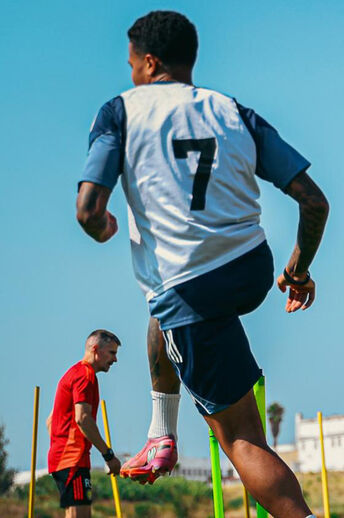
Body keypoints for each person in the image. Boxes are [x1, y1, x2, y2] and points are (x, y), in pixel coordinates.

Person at [75, 11, 328, 518]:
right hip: (252, 268)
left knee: (242, 438)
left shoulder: (119, 112)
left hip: (190, 289)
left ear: (148, 63)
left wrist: (100, 227)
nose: (129, 75)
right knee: (158, 316)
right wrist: (297, 270)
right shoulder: (230, 109)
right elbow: (314, 202)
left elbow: (87, 209)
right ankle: (161, 434)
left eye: (130, 64)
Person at [47, 330, 122, 518]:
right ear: (96, 350)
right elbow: (83, 419)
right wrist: (108, 455)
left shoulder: (75, 372)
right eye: (112, 353)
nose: (115, 360)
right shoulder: (85, 375)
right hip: (72, 458)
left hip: (68, 458)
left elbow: (51, 421)